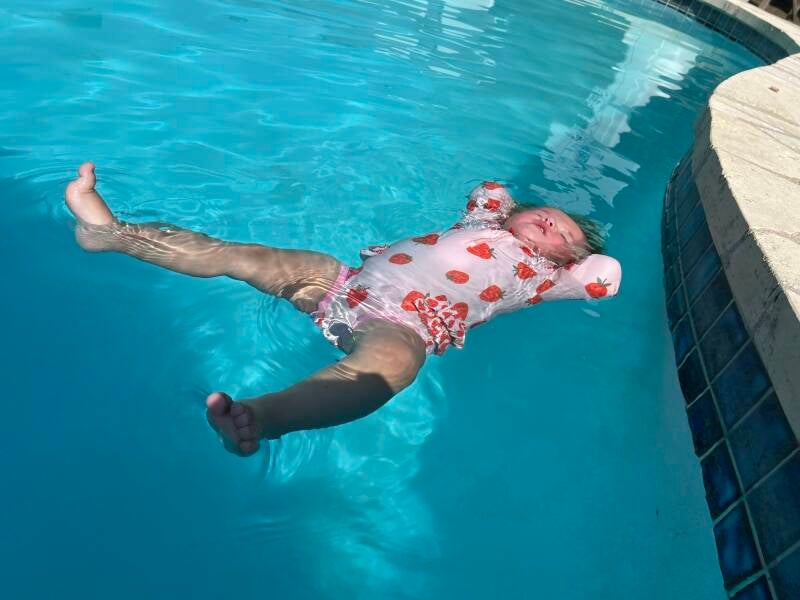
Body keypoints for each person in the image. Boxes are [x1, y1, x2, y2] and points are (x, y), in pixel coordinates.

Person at [65, 162, 621, 457]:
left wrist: (576, 261)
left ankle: (263, 416)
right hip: (344, 283)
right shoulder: (483, 221)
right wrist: (513, 211)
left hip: (406, 325)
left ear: (568, 258)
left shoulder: (544, 278)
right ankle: (112, 233)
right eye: (547, 216)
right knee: (245, 256)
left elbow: (604, 277)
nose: (552, 225)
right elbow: (491, 189)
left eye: (564, 235)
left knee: (392, 369)